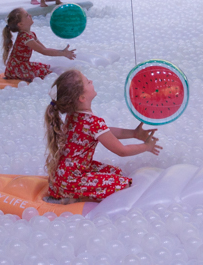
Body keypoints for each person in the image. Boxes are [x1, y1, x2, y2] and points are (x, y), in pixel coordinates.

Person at [45, 69, 161, 201]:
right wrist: (147, 146)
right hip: (71, 181)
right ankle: (72, 198)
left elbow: (104, 132)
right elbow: (122, 151)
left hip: (62, 176)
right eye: (88, 82)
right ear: (82, 98)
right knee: (124, 184)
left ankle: (70, 192)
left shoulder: (73, 115)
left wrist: (134, 133)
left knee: (116, 172)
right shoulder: (93, 122)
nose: (92, 81)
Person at [2, 8, 76, 82]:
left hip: (22, 65)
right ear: (20, 24)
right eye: (27, 15)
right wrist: (63, 53)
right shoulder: (24, 37)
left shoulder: (31, 34)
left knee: (46, 68)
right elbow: (44, 51)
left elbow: (44, 48)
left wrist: (62, 52)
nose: (30, 15)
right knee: (46, 73)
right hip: (16, 69)